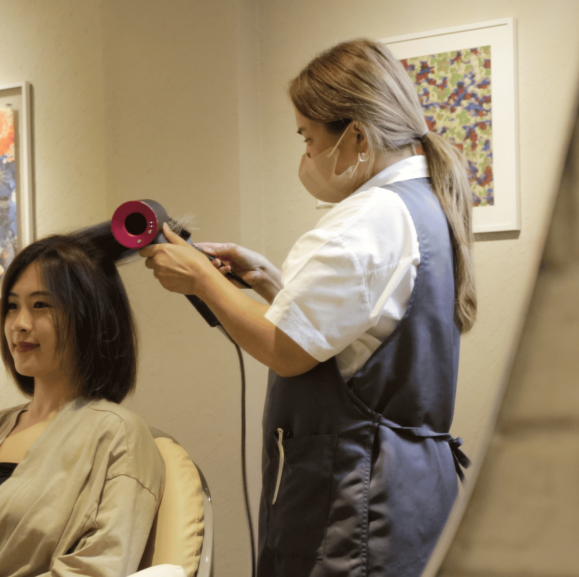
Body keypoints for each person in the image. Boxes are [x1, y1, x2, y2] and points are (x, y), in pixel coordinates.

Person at [139, 38, 475, 576]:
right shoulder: (423, 205)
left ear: (357, 138)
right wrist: (270, 281)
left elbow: (286, 351)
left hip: (356, 499)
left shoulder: (366, 218)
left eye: (308, 137)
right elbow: (355, 333)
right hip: (410, 489)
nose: (306, 156)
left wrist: (203, 281)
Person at [0, 235, 165, 577]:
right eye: (12, 306)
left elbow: (100, 567)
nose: (19, 324)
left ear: (89, 316)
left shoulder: (117, 434)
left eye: (41, 305)